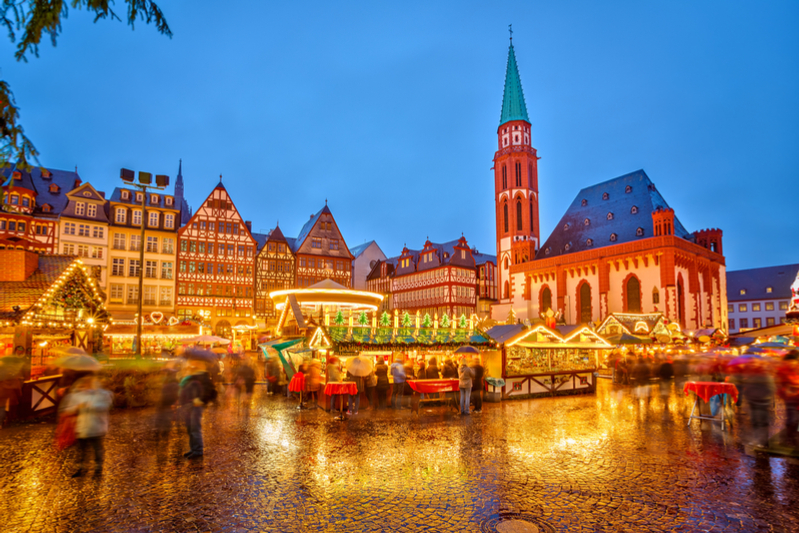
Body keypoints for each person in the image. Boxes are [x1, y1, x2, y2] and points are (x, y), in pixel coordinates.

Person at [61, 375, 113, 477]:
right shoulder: (77, 395)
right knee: (81, 450)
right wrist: (76, 407)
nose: (86, 387)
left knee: (97, 449)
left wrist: (90, 406)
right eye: (85, 385)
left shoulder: (102, 394)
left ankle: (98, 470)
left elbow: (105, 406)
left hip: (96, 426)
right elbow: (68, 409)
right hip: (82, 427)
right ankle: (82, 469)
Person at [179, 361, 214, 458]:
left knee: (195, 428)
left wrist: (200, 400)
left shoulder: (203, 377)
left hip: (196, 406)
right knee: (190, 428)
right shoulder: (191, 377)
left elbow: (209, 390)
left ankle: (198, 450)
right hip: (188, 405)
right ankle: (193, 449)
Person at [741, 359, 776, 448]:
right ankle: (756, 439)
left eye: (754, 363)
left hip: (762, 402)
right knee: (754, 421)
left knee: (761, 422)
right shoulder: (751, 374)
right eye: (751, 363)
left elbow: (770, 388)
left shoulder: (764, 374)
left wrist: (762, 397)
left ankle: (762, 442)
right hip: (753, 402)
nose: (752, 364)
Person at [776, 352, 798, 449]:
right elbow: (779, 384)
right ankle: (790, 439)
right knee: (792, 419)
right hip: (790, 399)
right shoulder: (783, 371)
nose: (791, 364)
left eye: (792, 362)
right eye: (789, 362)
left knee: (795, 420)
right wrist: (785, 391)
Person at [154, 365, 179, 440]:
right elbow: (176, 394)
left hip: (162, 402)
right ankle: (164, 434)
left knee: (160, 418)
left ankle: (158, 433)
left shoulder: (165, 381)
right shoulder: (174, 383)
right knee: (166, 418)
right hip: (168, 403)